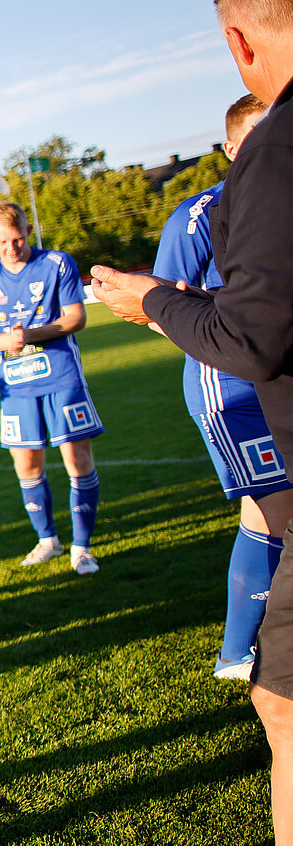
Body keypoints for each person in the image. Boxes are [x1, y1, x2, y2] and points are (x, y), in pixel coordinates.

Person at [86, 0, 293, 846]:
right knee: (279, 676)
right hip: (232, 393)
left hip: (241, 373)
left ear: (241, 45)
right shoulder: (204, 206)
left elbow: (246, 327)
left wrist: (147, 300)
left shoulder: (273, 163)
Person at [155, 94, 282, 676]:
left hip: (277, 374)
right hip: (227, 383)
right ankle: (240, 654)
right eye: (252, 137)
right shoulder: (196, 215)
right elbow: (163, 307)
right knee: (273, 514)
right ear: (230, 149)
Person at [0, 203, 104, 576]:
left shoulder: (57, 264)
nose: (13, 248)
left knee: (78, 462)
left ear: (29, 230)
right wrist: (6, 342)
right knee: (26, 465)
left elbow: (76, 317)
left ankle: (82, 547)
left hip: (62, 377)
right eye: (4, 242)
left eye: (20, 239)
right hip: (16, 387)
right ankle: (48, 541)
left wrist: (31, 334)